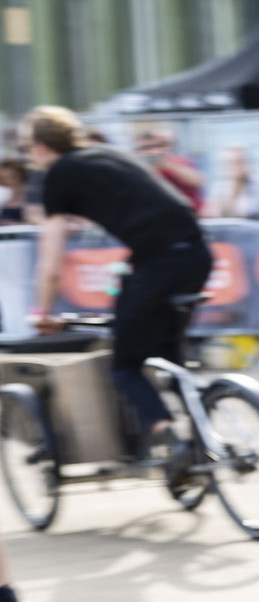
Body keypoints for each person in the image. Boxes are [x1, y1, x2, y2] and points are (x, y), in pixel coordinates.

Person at [19, 106, 212, 478]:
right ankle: (203, 430)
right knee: (168, 358)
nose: (28, 158)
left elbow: (51, 263)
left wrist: (42, 313)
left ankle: (169, 438)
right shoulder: (107, 153)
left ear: (42, 147)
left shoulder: (59, 174)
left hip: (158, 263)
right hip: (197, 254)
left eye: (27, 149)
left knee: (125, 365)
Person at [134, 126, 205, 209]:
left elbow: (198, 182)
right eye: (146, 148)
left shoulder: (181, 162)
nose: (153, 151)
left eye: (158, 146)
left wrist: (166, 164)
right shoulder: (134, 168)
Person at [203, 144, 259, 220]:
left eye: (239, 162)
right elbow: (211, 213)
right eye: (229, 162)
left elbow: (250, 213)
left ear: (247, 163)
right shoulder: (219, 186)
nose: (234, 166)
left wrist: (234, 189)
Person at [0, 157, 30, 225]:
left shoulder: (31, 192)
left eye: (12, 177)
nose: (8, 181)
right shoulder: (3, 193)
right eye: (3, 178)